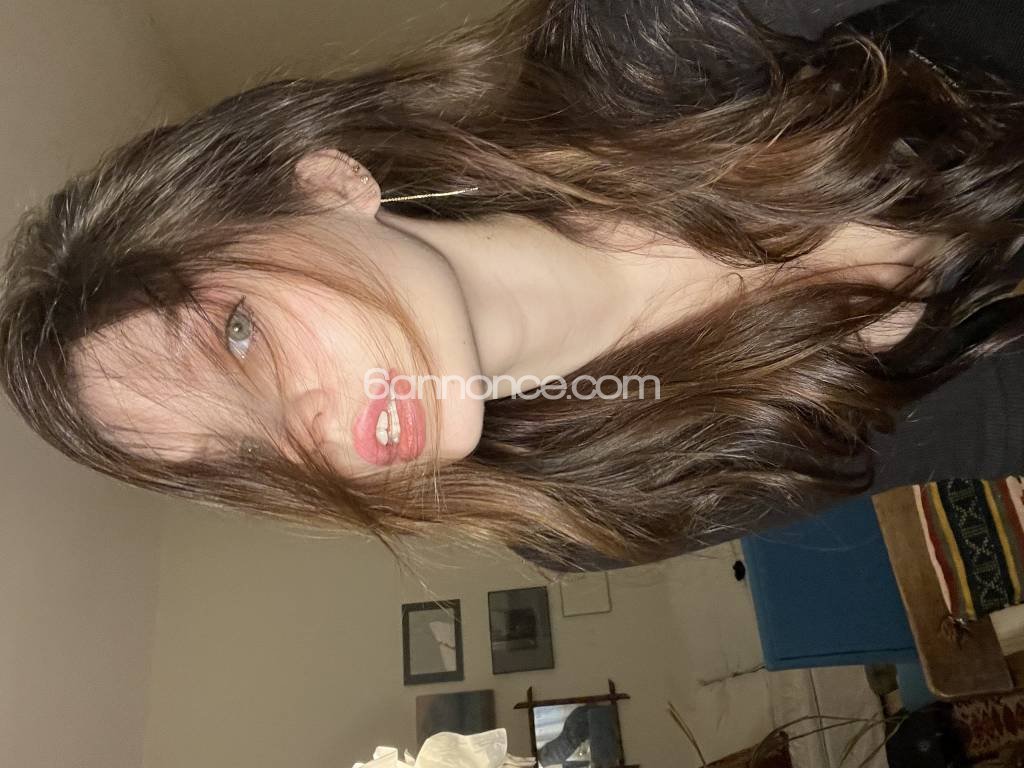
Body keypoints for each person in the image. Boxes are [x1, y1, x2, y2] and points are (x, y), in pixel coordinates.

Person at [1, 0, 1022, 572]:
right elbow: (980, 432)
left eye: (237, 334)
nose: (300, 428)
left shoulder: (657, 41)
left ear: (325, 183)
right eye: (241, 452)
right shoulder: (587, 514)